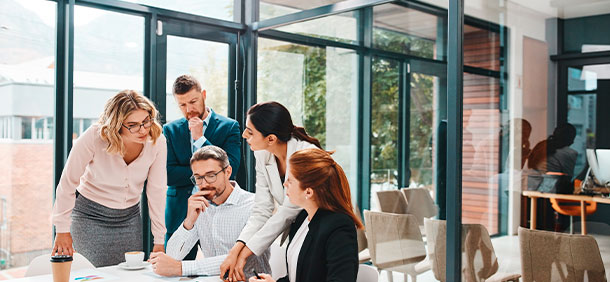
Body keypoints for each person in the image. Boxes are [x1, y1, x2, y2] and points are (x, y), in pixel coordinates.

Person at [51, 90, 167, 267]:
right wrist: (62, 230)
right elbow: (67, 183)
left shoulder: (157, 141)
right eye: (133, 125)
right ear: (116, 125)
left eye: (146, 121)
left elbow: (156, 191)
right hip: (89, 218)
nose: (143, 129)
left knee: (129, 274)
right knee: (96, 275)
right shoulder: (94, 137)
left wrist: (159, 240)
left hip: (129, 219)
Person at [221, 101, 322, 281]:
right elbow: (262, 209)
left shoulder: (305, 154)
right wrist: (236, 250)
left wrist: (244, 255)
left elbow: (286, 213)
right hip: (296, 228)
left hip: (320, 229)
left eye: (250, 132)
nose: (244, 135)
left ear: (271, 138)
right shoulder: (262, 153)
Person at [149, 146, 270, 278]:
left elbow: (243, 260)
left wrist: (181, 268)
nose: (204, 183)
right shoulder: (200, 206)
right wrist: (189, 221)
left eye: (211, 176)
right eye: (198, 178)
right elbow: (172, 255)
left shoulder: (255, 206)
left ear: (228, 172)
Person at [249, 148, 362, 282]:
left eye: (290, 181)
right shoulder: (302, 217)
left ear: (308, 192)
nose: (285, 184)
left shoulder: (339, 226)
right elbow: (297, 276)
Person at [164, 75, 241, 260]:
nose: (189, 110)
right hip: (180, 209)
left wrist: (200, 139)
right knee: (175, 263)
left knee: (221, 264)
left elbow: (232, 167)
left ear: (203, 95)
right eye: (182, 105)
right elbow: (167, 174)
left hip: (219, 207)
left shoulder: (229, 127)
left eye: (193, 101)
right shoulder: (170, 130)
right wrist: (210, 173)